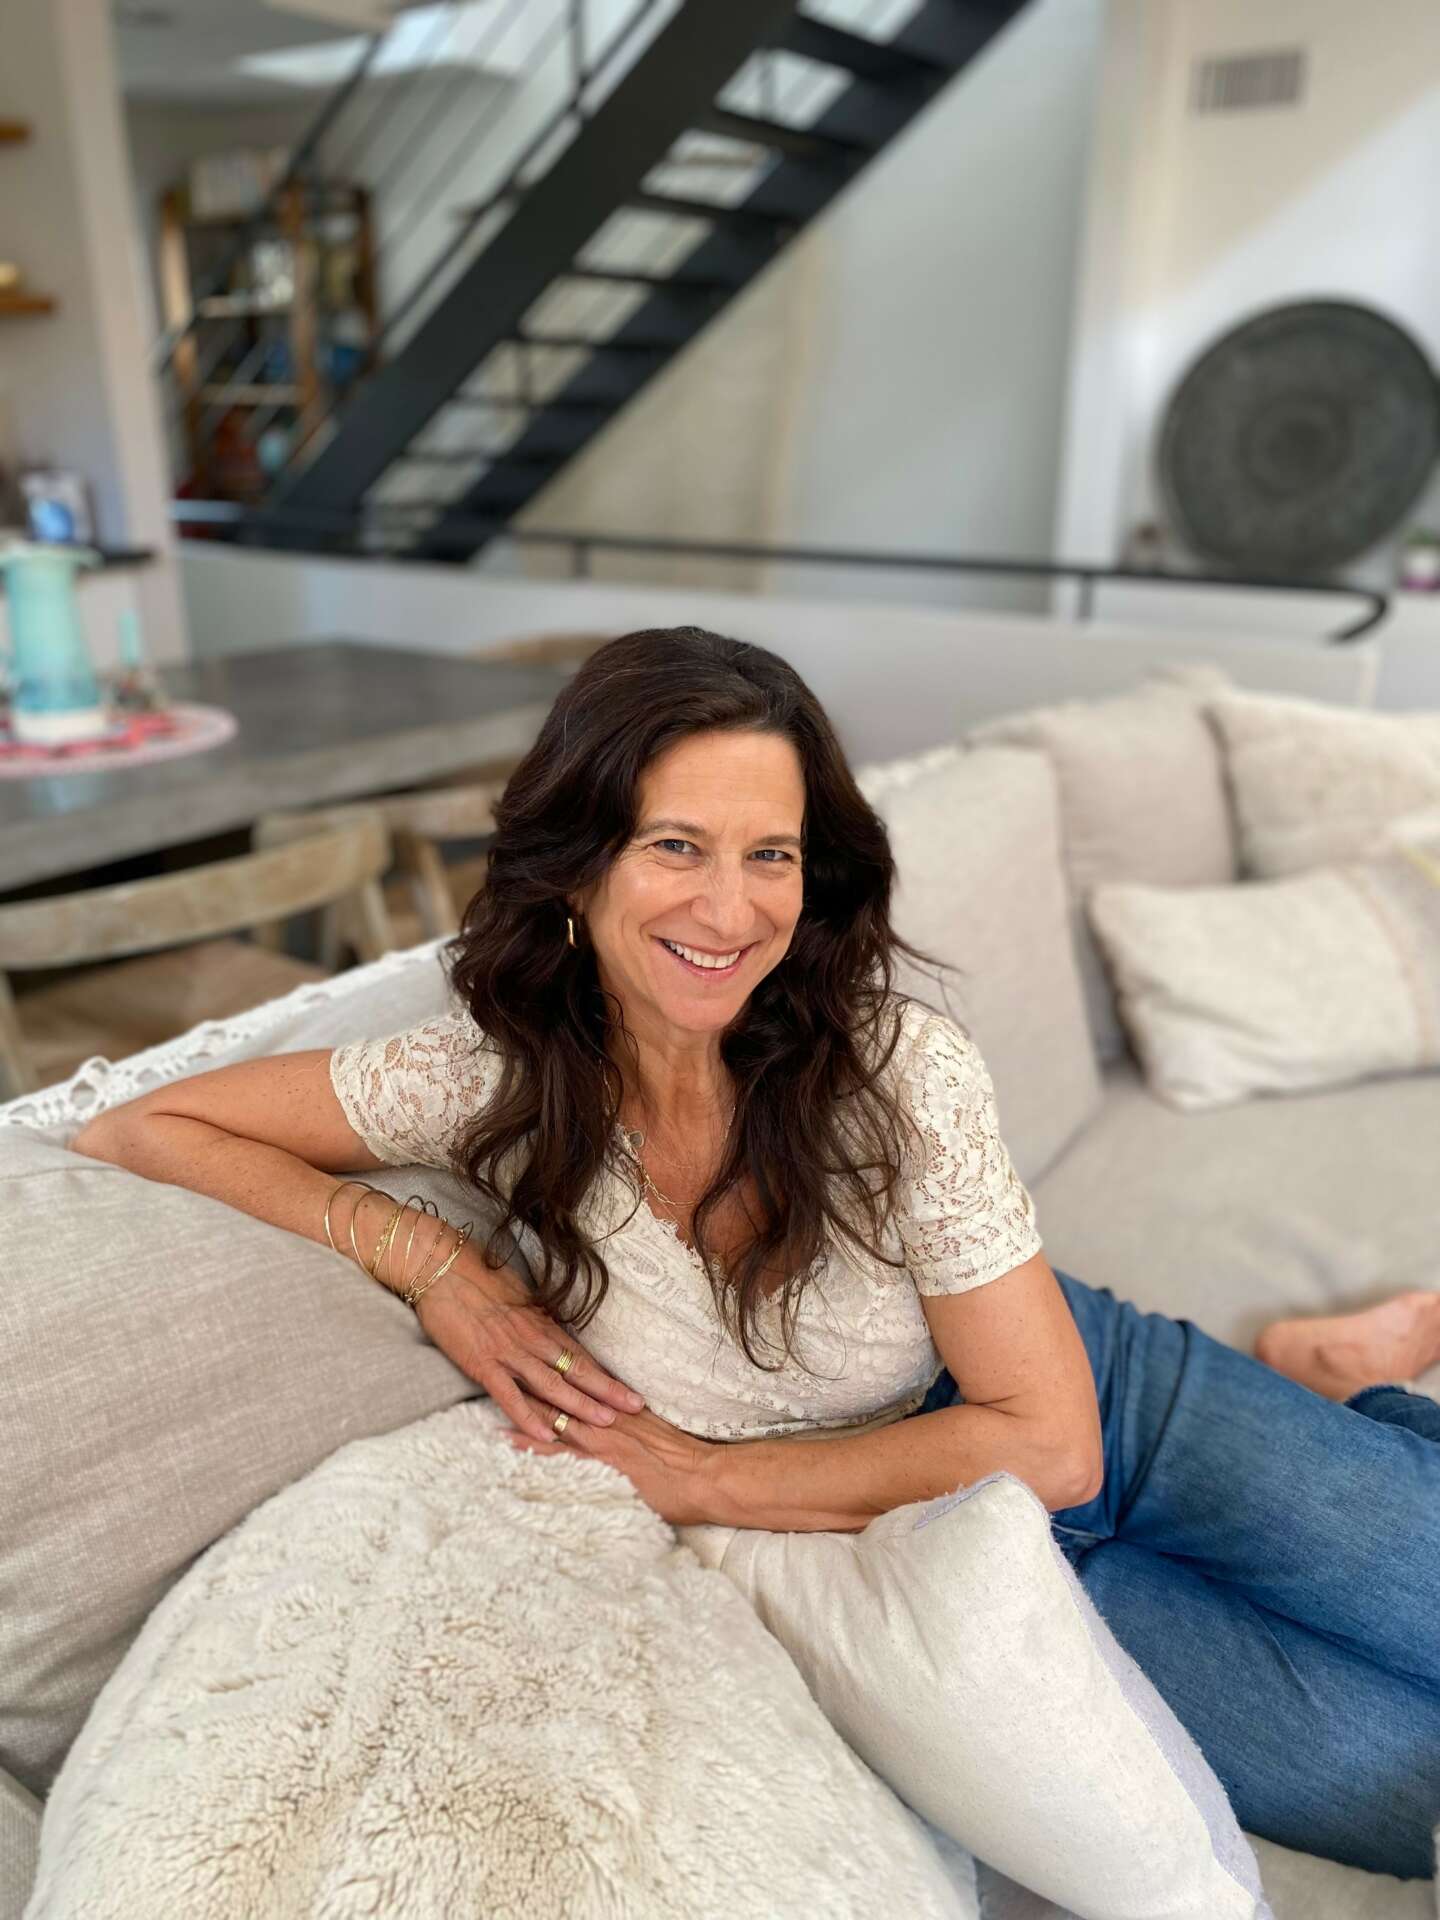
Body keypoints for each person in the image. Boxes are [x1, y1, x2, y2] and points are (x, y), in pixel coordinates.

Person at [72, 626, 1440, 1882]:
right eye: (677, 846)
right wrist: (436, 1265)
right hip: (958, 1542)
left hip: (1103, 1399)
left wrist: (710, 1479)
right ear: (578, 865)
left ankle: (1338, 1388)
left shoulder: (895, 1069)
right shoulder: (494, 1078)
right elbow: (143, 1124)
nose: (731, 912)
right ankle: (1340, 1398)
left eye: (769, 855)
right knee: (1404, 1794)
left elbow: (1054, 1442)